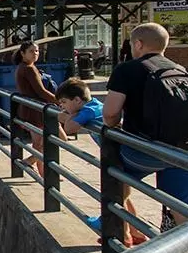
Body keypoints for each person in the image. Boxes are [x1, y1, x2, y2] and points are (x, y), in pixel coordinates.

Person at [102, 23, 188, 253]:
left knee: (113, 172)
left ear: (138, 44)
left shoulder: (127, 69)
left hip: (149, 152)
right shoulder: (180, 70)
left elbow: (110, 114)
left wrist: (114, 125)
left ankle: (116, 225)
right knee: (183, 213)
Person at [54, 77, 143, 239]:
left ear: (77, 100)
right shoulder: (94, 105)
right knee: (123, 195)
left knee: (117, 195)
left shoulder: (88, 111)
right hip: (119, 154)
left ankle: (122, 235)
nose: (62, 107)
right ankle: (135, 232)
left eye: (64, 102)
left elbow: (70, 128)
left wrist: (67, 117)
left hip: (119, 156)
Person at [13, 40, 56, 178]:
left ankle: (43, 174)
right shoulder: (29, 69)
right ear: (22, 53)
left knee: (39, 143)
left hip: (30, 108)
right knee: (54, 139)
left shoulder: (24, 67)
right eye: (31, 51)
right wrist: (58, 101)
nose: (35, 54)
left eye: (37, 51)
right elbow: (41, 91)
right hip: (35, 110)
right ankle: (32, 162)